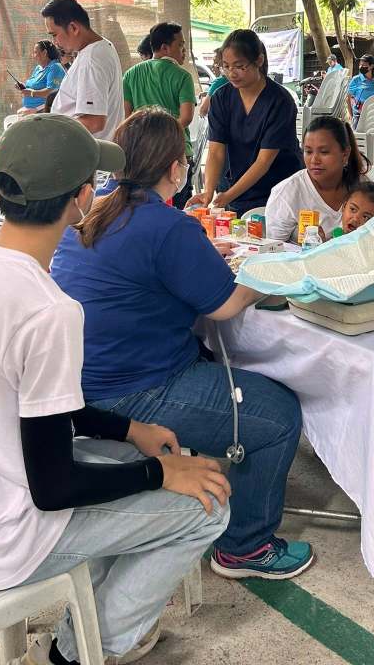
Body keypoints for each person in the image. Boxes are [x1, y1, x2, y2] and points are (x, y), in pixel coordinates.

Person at [0, 114, 231, 665]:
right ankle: (77, 653)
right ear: (82, 197)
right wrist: (160, 474)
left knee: (131, 458)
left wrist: (129, 429)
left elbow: (37, 406)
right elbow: (55, 487)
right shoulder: (48, 310)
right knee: (207, 505)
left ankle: (92, 620)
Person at [51, 107, 314, 582]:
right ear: (177, 169)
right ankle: (245, 547)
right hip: (137, 390)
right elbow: (227, 305)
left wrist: (198, 254)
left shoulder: (91, 213)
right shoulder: (167, 226)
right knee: (278, 415)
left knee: (222, 365)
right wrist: (269, 273)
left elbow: (140, 267)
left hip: (80, 386)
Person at [187, 30, 303, 217]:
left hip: (278, 190)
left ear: (259, 60)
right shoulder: (221, 98)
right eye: (226, 66)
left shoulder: (280, 101)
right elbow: (216, 152)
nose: (231, 73)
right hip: (237, 188)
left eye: (239, 66)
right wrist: (208, 192)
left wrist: (228, 196)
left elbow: (264, 161)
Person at [122, 22, 196, 210]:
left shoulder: (130, 74)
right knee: (178, 211)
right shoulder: (182, 76)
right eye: (180, 45)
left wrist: (150, 140)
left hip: (142, 154)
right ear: (165, 47)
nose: (184, 50)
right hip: (177, 153)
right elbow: (187, 117)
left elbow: (126, 117)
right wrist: (165, 138)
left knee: (144, 208)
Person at [265, 116, 367, 242]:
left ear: (345, 154)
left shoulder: (362, 187)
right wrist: (316, 249)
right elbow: (274, 249)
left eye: (324, 152)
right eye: (308, 152)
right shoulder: (286, 194)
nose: (314, 160)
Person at [42, 0, 124, 141]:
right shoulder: (102, 46)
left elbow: (94, 122)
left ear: (73, 27)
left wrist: (51, 130)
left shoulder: (91, 60)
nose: (54, 42)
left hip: (86, 151)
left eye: (54, 34)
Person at [17, 40, 66, 113]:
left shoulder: (55, 67)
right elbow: (35, 86)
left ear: (44, 53)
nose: (33, 56)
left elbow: (52, 92)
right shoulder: (38, 68)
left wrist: (32, 94)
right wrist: (23, 87)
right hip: (31, 111)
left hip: (43, 112)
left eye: (35, 52)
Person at [347, 54, 374, 127]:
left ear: (371, 66)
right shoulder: (356, 80)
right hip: (359, 114)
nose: (361, 67)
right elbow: (348, 98)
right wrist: (351, 114)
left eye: (364, 65)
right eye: (360, 65)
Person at [198, 48, 228, 118]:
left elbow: (203, 111)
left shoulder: (219, 83)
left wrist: (206, 98)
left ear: (221, 64)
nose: (212, 66)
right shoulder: (232, 81)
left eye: (215, 62)